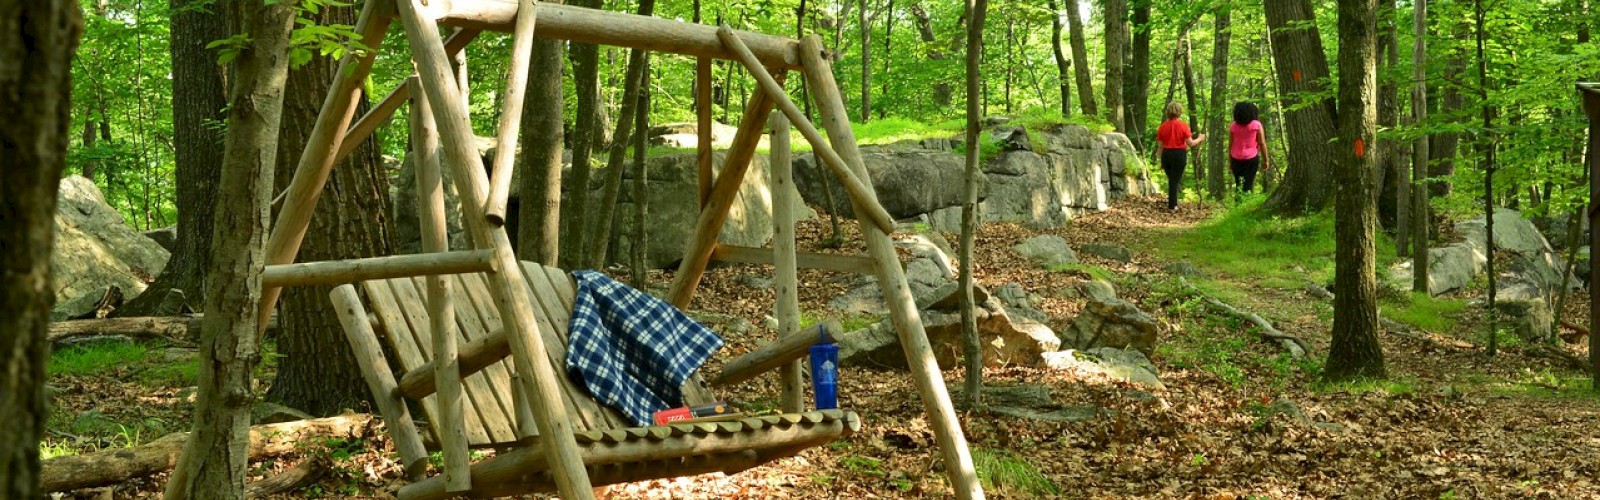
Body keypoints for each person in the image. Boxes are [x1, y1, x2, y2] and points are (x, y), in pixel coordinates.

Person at [1155, 101, 1206, 211]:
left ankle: (1173, 203)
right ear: (1179, 112)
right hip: (1179, 155)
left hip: (1166, 155)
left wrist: (1160, 160)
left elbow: (1160, 146)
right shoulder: (1183, 126)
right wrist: (1200, 138)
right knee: (1174, 180)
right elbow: (1191, 143)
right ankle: (1172, 205)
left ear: (1168, 112)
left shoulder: (1162, 127)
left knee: (1172, 179)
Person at [1227, 101, 1272, 197]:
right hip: (1251, 158)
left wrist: (1230, 161)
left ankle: (1238, 205)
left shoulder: (1233, 126)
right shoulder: (1256, 125)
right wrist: (1266, 160)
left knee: (1239, 184)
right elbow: (1262, 143)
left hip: (1235, 159)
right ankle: (1245, 205)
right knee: (1248, 183)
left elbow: (1230, 145)